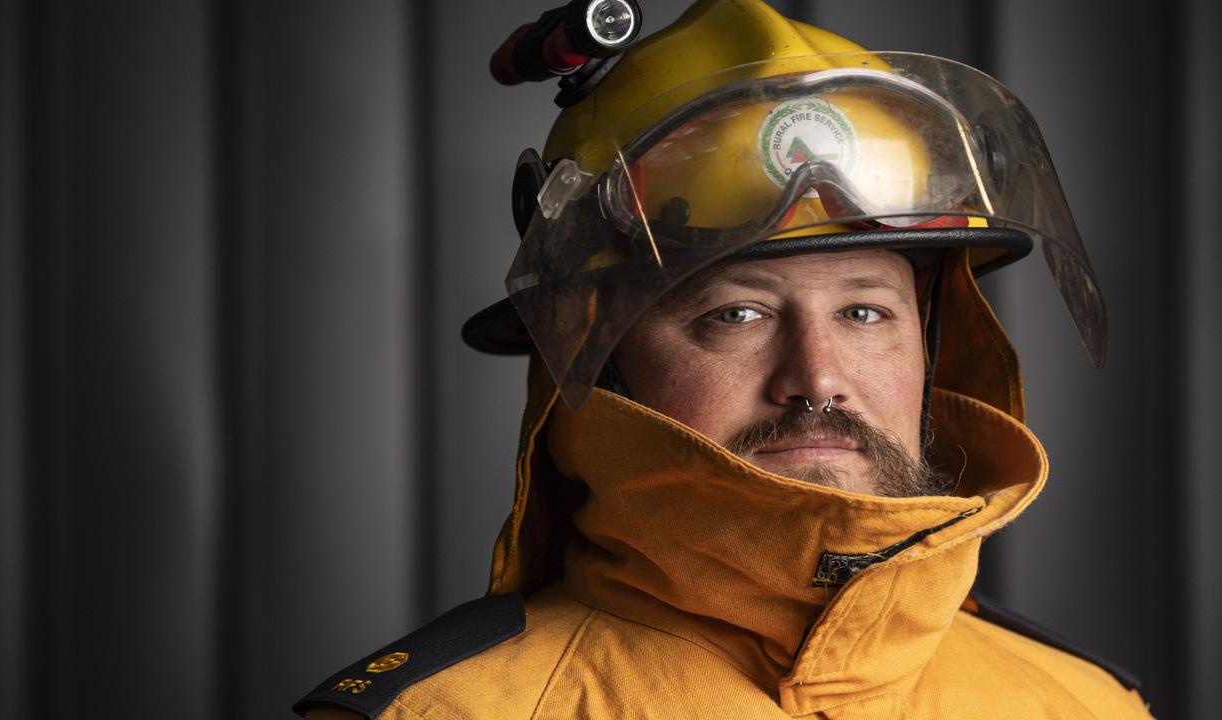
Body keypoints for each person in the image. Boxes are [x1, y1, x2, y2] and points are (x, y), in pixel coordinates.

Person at [294, 0, 1154, 717]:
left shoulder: (1085, 705)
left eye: (864, 310)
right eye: (734, 314)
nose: (817, 378)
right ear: (594, 361)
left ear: (934, 347)